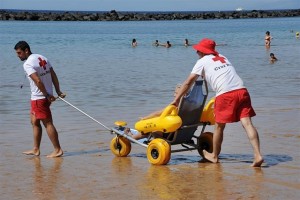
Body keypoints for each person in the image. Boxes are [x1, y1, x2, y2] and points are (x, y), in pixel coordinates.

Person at [171, 38, 263, 167]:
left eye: (198, 51)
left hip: (225, 94)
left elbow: (188, 82)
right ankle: (258, 155)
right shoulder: (222, 57)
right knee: (247, 124)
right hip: (242, 90)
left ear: (202, 51)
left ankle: (214, 156)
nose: (197, 52)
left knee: (219, 127)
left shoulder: (202, 61)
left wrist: (176, 100)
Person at [14, 41, 65, 158]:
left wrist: (47, 95)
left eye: (19, 53)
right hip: (41, 96)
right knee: (34, 121)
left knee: (48, 123)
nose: (18, 56)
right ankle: (36, 149)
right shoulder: (42, 58)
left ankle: (57, 150)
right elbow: (53, 75)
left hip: (40, 98)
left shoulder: (27, 64)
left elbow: (37, 81)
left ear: (26, 50)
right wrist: (57, 91)